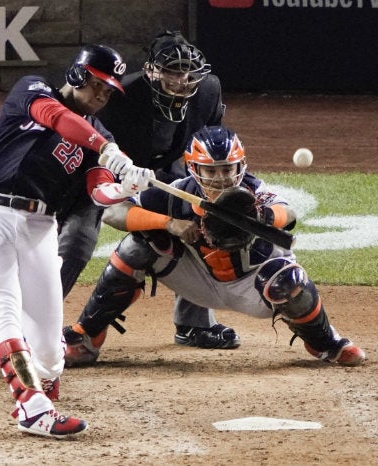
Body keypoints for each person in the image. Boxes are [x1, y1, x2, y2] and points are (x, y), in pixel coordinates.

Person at [0, 43, 155, 438]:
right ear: (78, 75)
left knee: (49, 349)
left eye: (109, 90)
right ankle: (32, 407)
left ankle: (41, 392)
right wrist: (106, 149)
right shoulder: (33, 91)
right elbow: (57, 118)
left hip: (40, 228)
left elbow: (99, 193)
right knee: (4, 312)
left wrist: (126, 186)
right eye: (98, 84)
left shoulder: (101, 135)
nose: (103, 95)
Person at [60, 125, 367, 367]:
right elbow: (113, 211)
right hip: (197, 282)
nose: (221, 179)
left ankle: (325, 343)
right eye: (211, 171)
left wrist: (261, 216)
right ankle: (87, 337)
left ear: (240, 167)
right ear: (194, 168)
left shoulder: (256, 194)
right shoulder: (175, 193)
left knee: (291, 281)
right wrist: (168, 224)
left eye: (228, 169)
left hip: (255, 287)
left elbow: (290, 214)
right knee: (137, 246)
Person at [58, 31, 239, 364]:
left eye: (187, 73)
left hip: (162, 173)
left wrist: (195, 198)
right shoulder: (119, 99)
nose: (181, 81)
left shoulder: (208, 91)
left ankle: (194, 324)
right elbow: (91, 157)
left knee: (207, 211)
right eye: (171, 71)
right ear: (152, 71)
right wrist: (154, 209)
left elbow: (202, 149)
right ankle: (37, 327)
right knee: (78, 240)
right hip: (105, 173)